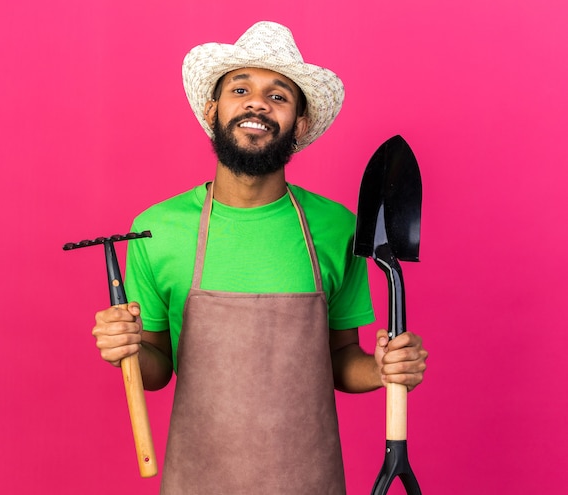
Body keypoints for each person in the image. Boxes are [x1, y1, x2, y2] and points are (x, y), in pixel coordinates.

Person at [92, 21, 428, 494]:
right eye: (241, 88)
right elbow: (157, 370)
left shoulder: (338, 229)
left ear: (300, 124)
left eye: (278, 96)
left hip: (308, 481)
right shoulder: (157, 229)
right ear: (213, 109)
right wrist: (123, 349)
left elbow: (340, 359)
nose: (257, 103)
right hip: (197, 481)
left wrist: (382, 369)